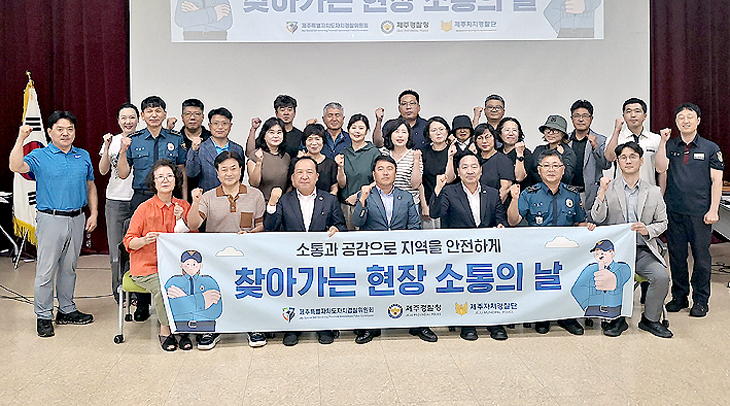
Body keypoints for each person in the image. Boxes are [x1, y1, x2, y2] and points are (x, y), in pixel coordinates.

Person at [10, 111, 98, 338]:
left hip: (77, 218)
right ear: (50, 132)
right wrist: (21, 138)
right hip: (50, 219)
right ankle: (43, 315)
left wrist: (94, 213)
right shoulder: (39, 155)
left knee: (69, 269)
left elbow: (90, 185)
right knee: (46, 270)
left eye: (70, 129)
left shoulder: (83, 155)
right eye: (60, 129)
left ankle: (67, 310)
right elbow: (15, 166)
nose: (65, 133)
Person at [507, 149, 595, 335]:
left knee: (568, 282)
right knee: (543, 284)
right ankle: (543, 317)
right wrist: (514, 199)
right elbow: (513, 221)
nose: (551, 169)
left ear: (563, 170)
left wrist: (588, 227)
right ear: (539, 170)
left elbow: (579, 222)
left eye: (556, 166)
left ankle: (567, 318)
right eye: (546, 166)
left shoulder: (572, 194)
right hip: (538, 252)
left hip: (567, 251)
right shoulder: (529, 194)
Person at [591, 141, 673, 338]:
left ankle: (650, 320)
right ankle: (617, 319)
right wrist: (601, 193)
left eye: (633, 157)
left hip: (642, 250)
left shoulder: (653, 191)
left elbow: (663, 222)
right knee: (614, 275)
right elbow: (597, 218)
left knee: (661, 277)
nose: (628, 161)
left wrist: (647, 230)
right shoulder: (608, 188)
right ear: (618, 162)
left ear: (641, 161)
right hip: (615, 253)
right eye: (623, 158)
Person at [352, 156, 437, 343]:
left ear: (395, 173)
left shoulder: (406, 196)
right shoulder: (365, 194)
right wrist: (362, 200)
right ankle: (370, 327)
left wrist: (404, 246)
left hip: (401, 253)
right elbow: (357, 221)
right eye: (380, 169)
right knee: (371, 288)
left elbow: (414, 226)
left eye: (389, 169)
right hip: (374, 254)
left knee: (414, 284)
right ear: (374, 173)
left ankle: (419, 325)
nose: (385, 173)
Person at [117, 96, 188, 321]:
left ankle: (173, 297)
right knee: (143, 246)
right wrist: (122, 151)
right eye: (149, 111)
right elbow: (122, 173)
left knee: (170, 244)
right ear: (142, 116)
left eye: (158, 111)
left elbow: (182, 171)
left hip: (170, 199)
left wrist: (184, 200)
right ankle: (141, 303)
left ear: (164, 114)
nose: (154, 115)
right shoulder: (134, 140)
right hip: (142, 198)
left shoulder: (175, 139)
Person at [264, 157, 347, 345]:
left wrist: (336, 230)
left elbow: (341, 226)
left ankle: (324, 327)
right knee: (294, 292)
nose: (304, 176)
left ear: (317, 176)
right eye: (299, 172)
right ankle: (293, 329)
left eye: (309, 172)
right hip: (292, 260)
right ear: (293, 178)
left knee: (321, 292)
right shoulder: (284, 200)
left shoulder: (329, 200)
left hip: (321, 260)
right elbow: (270, 227)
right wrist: (272, 204)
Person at [187, 150, 266, 347]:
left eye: (233, 168)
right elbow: (193, 225)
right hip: (216, 258)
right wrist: (195, 202)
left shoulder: (255, 195)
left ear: (241, 170)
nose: (229, 173)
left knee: (249, 289)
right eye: (224, 169)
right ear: (217, 172)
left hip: (247, 255)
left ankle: (253, 327)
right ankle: (212, 330)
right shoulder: (208, 197)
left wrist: (251, 234)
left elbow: (261, 225)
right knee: (213, 292)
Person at [429, 153, 509, 341]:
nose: (470, 171)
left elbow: (500, 219)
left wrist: (500, 226)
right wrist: (438, 188)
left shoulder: (492, 193)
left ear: (481, 171)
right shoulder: (449, 192)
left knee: (489, 285)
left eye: (474, 166)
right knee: (464, 287)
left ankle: (494, 322)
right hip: (459, 253)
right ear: (458, 172)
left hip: (486, 252)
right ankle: (467, 323)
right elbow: (435, 212)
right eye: (464, 167)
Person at [656, 103, 724, 317]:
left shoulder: (710, 148)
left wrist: (713, 210)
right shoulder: (670, 145)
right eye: (681, 117)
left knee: (701, 259)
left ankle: (701, 301)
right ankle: (679, 297)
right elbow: (660, 169)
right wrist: (663, 142)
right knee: (676, 257)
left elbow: (717, 180)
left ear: (698, 121)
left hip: (700, 213)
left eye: (690, 117)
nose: (685, 121)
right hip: (674, 211)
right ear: (676, 122)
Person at [123, 159, 193, 351]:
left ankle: (182, 327)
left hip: (177, 266)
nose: (165, 180)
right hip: (147, 267)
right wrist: (144, 240)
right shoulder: (144, 208)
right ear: (153, 182)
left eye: (169, 176)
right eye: (160, 177)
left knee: (189, 284)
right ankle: (167, 330)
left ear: (176, 180)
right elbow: (129, 241)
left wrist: (181, 220)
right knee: (165, 288)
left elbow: (192, 241)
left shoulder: (183, 206)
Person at [99, 103, 139, 303]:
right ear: (118, 121)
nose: (128, 121)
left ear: (138, 119)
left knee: (136, 248)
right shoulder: (112, 141)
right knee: (116, 249)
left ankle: (137, 292)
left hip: (138, 200)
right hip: (115, 200)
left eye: (132, 117)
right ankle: (119, 293)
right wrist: (107, 147)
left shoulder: (143, 139)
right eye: (124, 118)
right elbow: (103, 170)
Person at [604, 98, 664, 188]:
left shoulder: (656, 139)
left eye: (637, 111)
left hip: (648, 189)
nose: (633, 115)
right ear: (623, 116)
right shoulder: (616, 138)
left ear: (645, 116)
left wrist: (661, 192)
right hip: (621, 190)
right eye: (628, 111)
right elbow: (610, 158)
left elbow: (662, 169)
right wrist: (616, 130)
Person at [337, 114, 382, 230]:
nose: (357, 131)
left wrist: (358, 196)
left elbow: (379, 180)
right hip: (345, 206)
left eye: (361, 128)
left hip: (367, 204)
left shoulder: (374, 152)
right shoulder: (343, 152)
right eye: (353, 127)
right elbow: (342, 184)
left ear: (366, 131)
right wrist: (340, 167)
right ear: (348, 130)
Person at [567, 100, 610, 216]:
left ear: (591, 118)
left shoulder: (601, 140)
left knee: (590, 222)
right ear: (572, 118)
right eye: (577, 116)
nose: (581, 119)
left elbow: (606, 164)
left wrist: (595, 146)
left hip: (590, 192)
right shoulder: (565, 140)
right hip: (567, 191)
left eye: (585, 116)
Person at [186, 107, 244, 192]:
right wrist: (193, 150)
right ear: (210, 126)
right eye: (216, 123)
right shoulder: (201, 148)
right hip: (208, 196)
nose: (220, 127)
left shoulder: (237, 149)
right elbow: (191, 173)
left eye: (224, 123)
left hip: (233, 196)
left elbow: (240, 176)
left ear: (230, 126)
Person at [379, 117, 423, 210]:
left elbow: (416, 185)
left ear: (409, 135)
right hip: (385, 203)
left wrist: (416, 161)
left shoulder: (415, 155)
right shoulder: (384, 154)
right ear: (390, 135)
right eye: (396, 132)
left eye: (404, 132)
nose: (400, 136)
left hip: (409, 204)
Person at [247, 95, 305, 160]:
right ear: (276, 113)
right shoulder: (269, 133)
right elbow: (250, 153)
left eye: (289, 109)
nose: (286, 113)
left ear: (294, 113)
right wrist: (253, 129)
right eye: (282, 110)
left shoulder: (300, 136)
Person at [247, 117, 290, 202]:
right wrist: (259, 162)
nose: (275, 136)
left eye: (279, 132)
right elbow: (254, 184)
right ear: (264, 135)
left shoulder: (286, 157)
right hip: (262, 203)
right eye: (271, 132)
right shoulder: (255, 154)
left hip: (282, 203)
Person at [420, 116, 453, 229]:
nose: (438, 133)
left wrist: (451, 157)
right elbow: (420, 182)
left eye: (441, 129)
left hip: (452, 203)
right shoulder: (423, 152)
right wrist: (424, 205)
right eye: (434, 130)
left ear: (447, 131)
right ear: (428, 134)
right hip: (430, 203)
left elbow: (450, 178)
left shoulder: (454, 151)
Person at [471, 124, 514, 202]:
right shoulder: (473, 159)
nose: (484, 141)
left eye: (488, 137)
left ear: (494, 138)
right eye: (480, 138)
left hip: (495, 204)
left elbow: (505, 188)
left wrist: (493, 206)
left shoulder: (503, 160)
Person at [294, 123, 340, 195]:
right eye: (310, 139)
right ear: (305, 142)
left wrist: (330, 199)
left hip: (326, 200)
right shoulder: (296, 162)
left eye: (317, 139)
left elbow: (334, 187)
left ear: (323, 141)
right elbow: (293, 185)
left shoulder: (331, 164)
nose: (314, 143)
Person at [531, 115, 577, 185]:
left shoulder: (568, 152)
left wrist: (561, 157)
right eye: (548, 129)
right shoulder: (539, 149)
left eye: (555, 130)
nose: (551, 133)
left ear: (563, 134)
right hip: (539, 189)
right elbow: (531, 172)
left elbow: (567, 178)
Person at [496, 117, 535, 189]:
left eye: (514, 130)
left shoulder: (526, 153)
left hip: (521, 192)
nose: (511, 133)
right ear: (500, 134)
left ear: (519, 134)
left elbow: (519, 178)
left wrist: (519, 154)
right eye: (507, 130)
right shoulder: (496, 152)